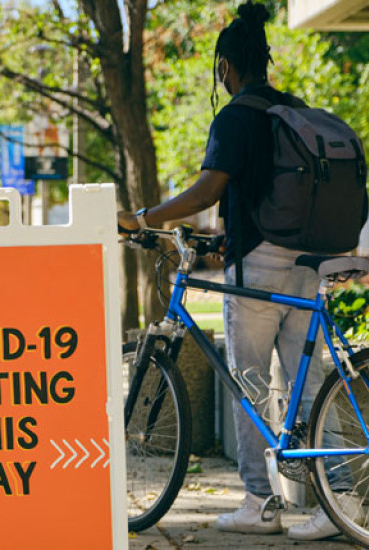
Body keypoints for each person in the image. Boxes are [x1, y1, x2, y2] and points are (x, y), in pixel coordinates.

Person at [118, 2, 342, 541]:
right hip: (305, 259)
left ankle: (259, 504)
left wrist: (142, 218)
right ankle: (342, 503)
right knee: (309, 383)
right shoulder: (290, 110)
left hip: (258, 267)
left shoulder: (236, 117)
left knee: (247, 384)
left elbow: (208, 190)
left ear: (225, 67)